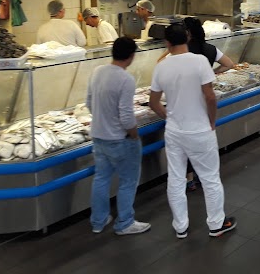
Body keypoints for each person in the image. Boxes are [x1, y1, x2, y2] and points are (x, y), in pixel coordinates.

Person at [149, 24, 236, 239]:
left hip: (174, 131)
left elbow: (153, 102)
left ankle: (181, 227)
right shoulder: (198, 61)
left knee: (176, 179)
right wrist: (212, 121)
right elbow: (210, 96)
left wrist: (168, 116)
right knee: (210, 178)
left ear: (167, 43)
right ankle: (216, 225)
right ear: (187, 38)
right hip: (200, 130)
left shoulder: (161, 66)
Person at [87, 37, 151, 236]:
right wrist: (133, 134)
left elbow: (89, 103)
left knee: (101, 179)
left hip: (98, 136)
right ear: (131, 56)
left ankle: (98, 221)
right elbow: (126, 115)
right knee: (128, 181)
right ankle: (124, 223)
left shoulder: (98, 71)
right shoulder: (126, 79)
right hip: (120, 139)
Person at [183, 17, 234, 191]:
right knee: (204, 139)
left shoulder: (182, 51)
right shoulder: (210, 49)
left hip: (187, 101)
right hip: (205, 98)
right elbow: (229, 64)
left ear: (187, 33)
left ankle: (189, 178)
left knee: (189, 142)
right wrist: (212, 74)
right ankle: (203, 175)